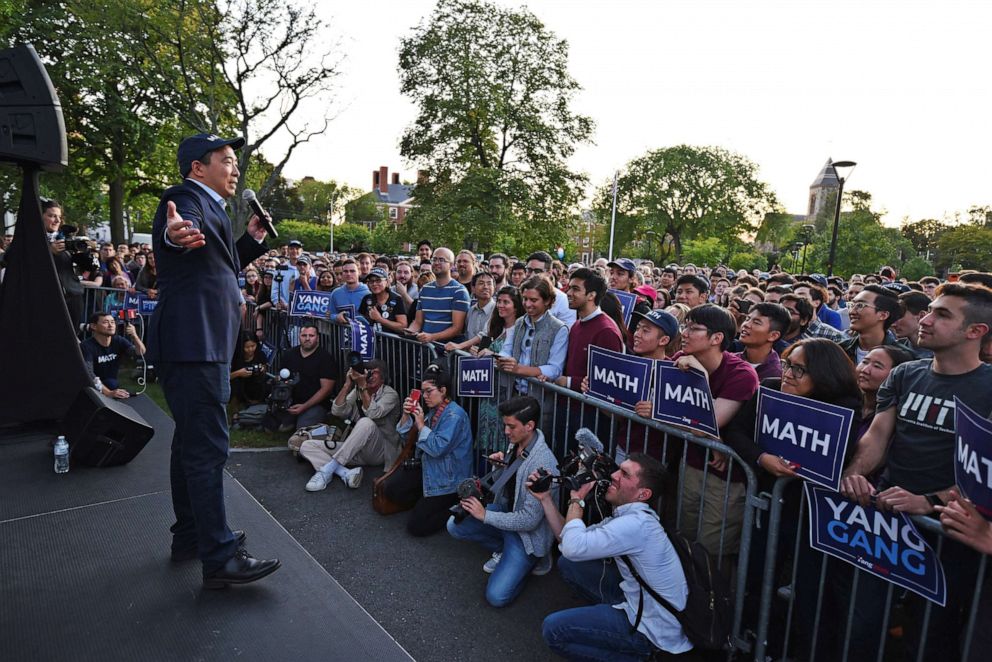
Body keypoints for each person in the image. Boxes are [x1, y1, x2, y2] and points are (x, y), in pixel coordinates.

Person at [148, 132, 278, 587]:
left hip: (198, 346)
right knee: (206, 449)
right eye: (226, 160)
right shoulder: (185, 198)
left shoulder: (214, 209)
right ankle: (220, 557)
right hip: (194, 346)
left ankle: (190, 536)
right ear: (198, 167)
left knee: (189, 444)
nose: (235, 168)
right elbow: (179, 230)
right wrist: (175, 233)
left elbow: (217, 265)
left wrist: (250, 241)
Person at [841, 283, 992, 659]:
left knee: (929, 636)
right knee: (864, 625)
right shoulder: (906, 373)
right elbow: (877, 437)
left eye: (942, 315)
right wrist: (855, 472)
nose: (925, 319)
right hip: (886, 523)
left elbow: (986, 469)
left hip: (951, 533)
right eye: (930, 310)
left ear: (976, 331)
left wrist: (929, 502)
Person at [537, 453, 692, 660]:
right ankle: (605, 625)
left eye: (625, 474)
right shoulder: (630, 517)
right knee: (568, 564)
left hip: (651, 629)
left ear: (643, 494)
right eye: (619, 469)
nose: (614, 475)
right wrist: (545, 498)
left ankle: (639, 656)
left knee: (553, 630)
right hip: (636, 601)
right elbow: (568, 544)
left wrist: (577, 499)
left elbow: (573, 546)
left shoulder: (636, 525)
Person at [447, 396, 559, 606]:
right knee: (455, 525)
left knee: (496, 597)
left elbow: (529, 521)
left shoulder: (543, 463)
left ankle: (535, 559)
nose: (506, 431)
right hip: (507, 514)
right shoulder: (517, 442)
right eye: (505, 425)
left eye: (511, 426)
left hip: (527, 535)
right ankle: (504, 550)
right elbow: (506, 487)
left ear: (529, 426)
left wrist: (485, 515)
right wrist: (498, 468)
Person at [390, 364, 474, 536]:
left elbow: (437, 449)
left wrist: (421, 425)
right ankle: (426, 501)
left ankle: (456, 507)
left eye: (429, 391)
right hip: (429, 468)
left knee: (416, 527)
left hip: (448, 479)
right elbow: (407, 439)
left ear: (443, 390)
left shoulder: (454, 415)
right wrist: (406, 416)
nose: (425, 396)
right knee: (392, 491)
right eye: (423, 392)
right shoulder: (434, 410)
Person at [302, 359, 402, 491]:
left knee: (366, 422)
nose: (370, 376)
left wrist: (363, 387)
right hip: (356, 448)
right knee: (307, 446)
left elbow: (373, 413)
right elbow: (337, 411)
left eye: (375, 373)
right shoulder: (357, 391)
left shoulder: (390, 394)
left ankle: (326, 472)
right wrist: (347, 385)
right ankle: (345, 473)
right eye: (368, 372)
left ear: (383, 378)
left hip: (380, 450)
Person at [497, 276, 568, 398]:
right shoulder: (519, 322)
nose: (527, 304)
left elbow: (555, 368)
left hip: (540, 397)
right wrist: (504, 360)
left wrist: (519, 369)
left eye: (533, 300)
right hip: (515, 391)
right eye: (525, 299)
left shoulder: (559, 328)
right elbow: (506, 349)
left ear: (547, 301)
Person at [474, 286, 525, 454]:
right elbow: (484, 349)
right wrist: (477, 352)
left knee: (502, 437)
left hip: (506, 393)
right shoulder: (496, 327)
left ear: (516, 306)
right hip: (488, 394)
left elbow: (515, 359)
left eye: (506, 302)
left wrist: (493, 354)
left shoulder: (520, 331)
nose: (500, 305)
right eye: (499, 302)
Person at [557, 267, 624, 390]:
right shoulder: (576, 325)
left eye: (575, 289)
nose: (568, 293)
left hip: (586, 407)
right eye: (569, 287)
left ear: (591, 295)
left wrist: (568, 382)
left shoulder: (606, 331)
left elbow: (607, 381)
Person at [277, 323, 337, 431]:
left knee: (302, 429)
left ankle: (319, 419)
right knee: (272, 426)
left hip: (316, 404)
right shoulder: (289, 354)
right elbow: (281, 378)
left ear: (317, 338)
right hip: (291, 402)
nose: (307, 339)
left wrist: (304, 407)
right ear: (299, 336)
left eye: (311, 336)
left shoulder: (325, 358)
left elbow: (326, 389)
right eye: (304, 335)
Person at [404, 247, 470, 344]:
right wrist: (410, 331)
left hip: (446, 351)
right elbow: (418, 322)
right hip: (425, 347)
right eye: (434, 259)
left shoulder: (459, 291)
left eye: (441, 260)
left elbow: (457, 328)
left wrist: (432, 337)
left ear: (451, 265)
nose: (436, 262)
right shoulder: (425, 289)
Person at [80, 311, 147, 398]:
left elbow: (140, 353)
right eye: (105, 322)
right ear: (94, 326)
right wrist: (108, 392)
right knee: (111, 384)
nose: (111, 325)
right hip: (89, 385)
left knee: (111, 383)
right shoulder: (86, 346)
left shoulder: (118, 340)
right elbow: (88, 373)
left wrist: (134, 336)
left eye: (112, 322)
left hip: (110, 382)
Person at [736, 302, 790, 380]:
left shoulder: (775, 374)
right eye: (747, 319)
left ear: (773, 336)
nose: (746, 324)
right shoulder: (730, 360)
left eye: (756, 322)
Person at [445, 271, 496, 352]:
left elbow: (485, 334)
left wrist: (460, 346)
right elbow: (466, 335)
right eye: (481, 283)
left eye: (489, 283)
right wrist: (468, 347)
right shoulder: (471, 310)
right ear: (473, 288)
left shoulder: (497, 309)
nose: (486, 287)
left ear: (494, 288)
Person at [527, 251, 576, 328]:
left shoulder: (563, 301)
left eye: (538, 271)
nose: (532, 275)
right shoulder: (519, 295)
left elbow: (566, 333)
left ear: (549, 273)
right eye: (529, 270)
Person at [358, 266, 408, 334]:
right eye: (371, 281)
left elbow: (402, 327)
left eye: (378, 280)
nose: (374, 284)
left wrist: (379, 319)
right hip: (370, 342)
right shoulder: (367, 298)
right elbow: (360, 321)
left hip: (390, 343)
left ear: (387, 282)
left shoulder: (396, 299)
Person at [229, 333, 268, 411]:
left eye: (253, 346)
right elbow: (226, 377)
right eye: (247, 347)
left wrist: (262, 369)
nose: (250, 349)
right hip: (238, 387)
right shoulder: (234, 357)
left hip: (255, 386)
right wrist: (239, 373)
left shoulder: (260, 354)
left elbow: (265, 368)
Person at [329, 259, 370, 324]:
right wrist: (337, 317)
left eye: (352, 271)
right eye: (345, 271)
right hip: (342, 333)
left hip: (365, 332)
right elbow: (330, 314)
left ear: (359, 272)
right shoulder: (335, 293)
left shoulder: (369, 292)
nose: (348, 274)